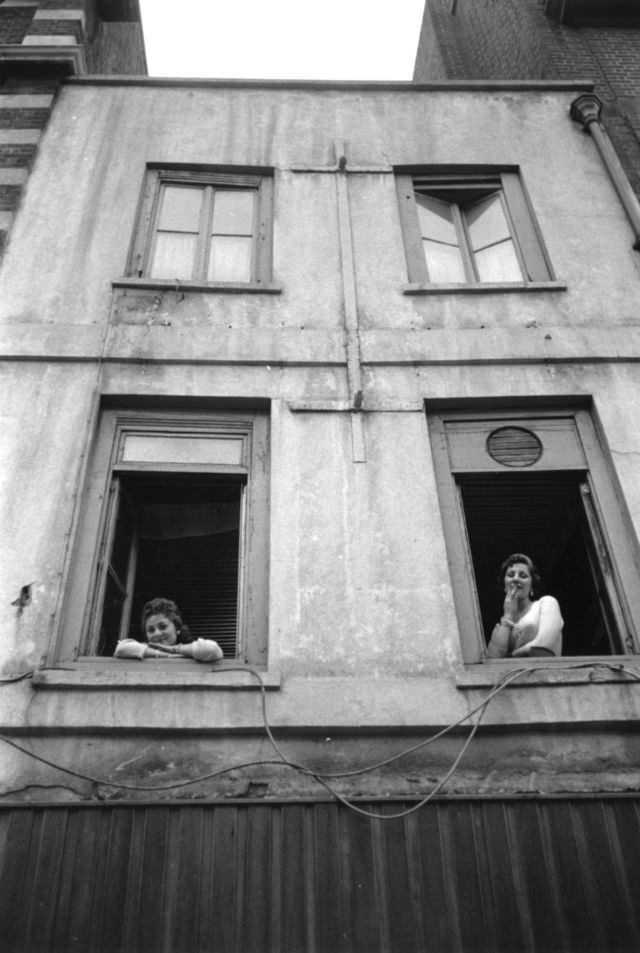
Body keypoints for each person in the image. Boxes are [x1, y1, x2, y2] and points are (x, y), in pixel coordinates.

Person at [486, 553, 563, 658]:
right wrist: (508, 616)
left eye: (523, 576)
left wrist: (511, 656)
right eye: (510, 575)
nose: (515, 579)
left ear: (532, 585)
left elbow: (544, 644)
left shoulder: (546, 603)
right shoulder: (501, 626)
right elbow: (492, 659)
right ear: (504, 584)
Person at [114, 597, 223, 663]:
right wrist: (164, 654)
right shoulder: (143, 651)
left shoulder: (192, 651)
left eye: (163, 627)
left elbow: (213, 650)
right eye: (151, 630)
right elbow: (121, 648)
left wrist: (174, 649)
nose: (156, 633)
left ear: (177, 628)